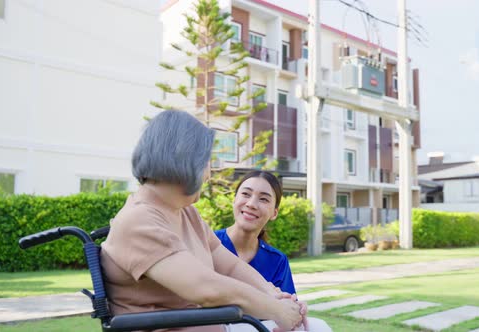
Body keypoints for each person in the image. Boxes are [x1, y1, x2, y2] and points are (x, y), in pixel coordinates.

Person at [100, 110, 305, 332]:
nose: (209, 172)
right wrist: (276, 310)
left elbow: (230, 265)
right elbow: (205, 288)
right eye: (207, 161)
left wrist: (273, 294)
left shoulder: (186, 213)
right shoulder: (138, 221)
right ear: (185, 160)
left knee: (314, 327)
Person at [215, 171, 331, 332]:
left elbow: (285, 307)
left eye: (263, 199)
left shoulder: (277, 260)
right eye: (246, 194)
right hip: (217, 326)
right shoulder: (208, 243)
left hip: (261, 327)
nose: (251, 204)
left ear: (274, 213)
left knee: (318, 327)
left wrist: (295, 310)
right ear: (234, 200)